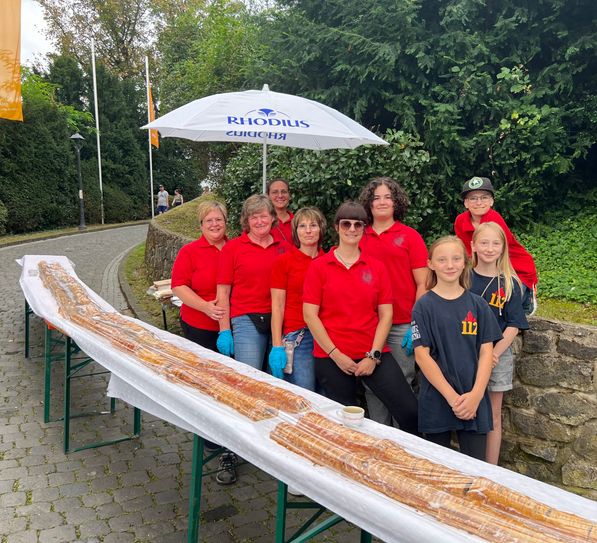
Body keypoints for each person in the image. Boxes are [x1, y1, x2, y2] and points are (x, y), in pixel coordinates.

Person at [303, 202, 418, 435]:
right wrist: (336, 355)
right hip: (331, 355)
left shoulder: (377, 267)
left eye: (358, 224)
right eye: (346, 223)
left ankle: (406, 463)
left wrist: (374, 356)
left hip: (372, 352)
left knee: (410, 412)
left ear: (364, 228)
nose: (352, 229)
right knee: (344, 423)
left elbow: (386, 314)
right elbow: (310, 315)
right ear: (337, 227)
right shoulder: (319, 267)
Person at [411, 236, 503, 460]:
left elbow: (486, 352)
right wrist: (453, 398)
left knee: (475, 470)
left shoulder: (478, 305)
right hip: (438, 398)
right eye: (442, 259)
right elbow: (422, 356)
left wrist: (476, 395)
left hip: (474, 398)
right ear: (430, 264)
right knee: (438, 469)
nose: (449, 265)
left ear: (465, 262)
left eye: (455, 259)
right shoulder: (424, 306)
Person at [170, 200, 236, 485]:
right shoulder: (190, 251)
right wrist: (205, 308)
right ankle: (213, 445)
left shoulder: (236, 248)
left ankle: (235, 444)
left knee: (232, 388)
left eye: (218, 219)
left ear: (226, 221)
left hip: (236, 329)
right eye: (208, 221)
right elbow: (178, 286)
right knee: (209, 388)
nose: (214, 224)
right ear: (201, 225)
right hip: (200, 326)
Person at [358, 176, 428, 425]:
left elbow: (423, 282)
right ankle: (380, 437)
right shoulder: (358, 235)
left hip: (401, 324)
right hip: (368, 324)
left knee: (403, 382)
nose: (382, 202)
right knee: (372, 384)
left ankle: (403, 441)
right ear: (369, 203)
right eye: (376, 197)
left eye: (388, 196)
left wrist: (415, 323)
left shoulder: (410, 236)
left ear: (396, 201)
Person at [470, 222, 529, 464]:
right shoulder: (464, 277)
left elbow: (514, 324)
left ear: (503, 248)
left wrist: (493, 354)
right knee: (469, 407)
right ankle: (468, 461)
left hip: (498, 354)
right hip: (467, 352)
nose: (490, 248)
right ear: (473, 245)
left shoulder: (510, 282)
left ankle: (491, 468)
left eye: (496, 243)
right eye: (484, 242)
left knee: (494, 413)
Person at [216, 194, 290, 370]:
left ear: (272, 217)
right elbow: (223, 292)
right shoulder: (232, 249)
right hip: (246, 318)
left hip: (281, 318)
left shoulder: (285, 248)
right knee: (250, 375)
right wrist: (224, 329)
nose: (259, 221)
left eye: (263, 216)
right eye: (253, 217)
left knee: (280, 378)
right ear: (246, 221)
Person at [454, 176, 538, 315]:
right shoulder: (460, 221)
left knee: (503, 305)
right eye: (473, 198)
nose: (479, 202)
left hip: (513, 266)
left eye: (484, 197)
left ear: (492, 201)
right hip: (482, 264)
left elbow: (497, 255)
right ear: (466, 203)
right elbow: (466, 252)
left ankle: (527, 297)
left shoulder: (494, 220)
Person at [269, 207, 326, 391]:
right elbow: (277, 306)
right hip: (299, 336)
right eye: (302, 226)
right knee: (305, 392)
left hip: (328, 336)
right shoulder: (284, 262)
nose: (308, 230)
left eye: (313, 225)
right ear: (295, 231)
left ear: (321, 229)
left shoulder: (330, 260)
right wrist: (277, 345)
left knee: (327, 395)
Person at [268, 178, 293, 243]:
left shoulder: (298, 221)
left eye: (284, 192)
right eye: (275, 192)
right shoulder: (263, 222)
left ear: (289, 195)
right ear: (268, 196)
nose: (280, 196)